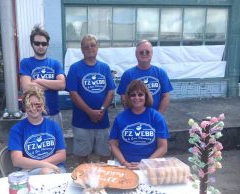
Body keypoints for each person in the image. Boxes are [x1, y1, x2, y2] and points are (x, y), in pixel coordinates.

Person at [66, 34, 116, 164]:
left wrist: (101, 111)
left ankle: (103, 180)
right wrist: (89, 112)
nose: (90, 48)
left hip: (102, 120)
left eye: (93, 45)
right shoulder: (75, 68)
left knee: (105, 153)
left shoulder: (104, 68)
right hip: (81, 122)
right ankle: (84, 181)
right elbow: (73, 94)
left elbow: (111, 91)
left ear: (97, 47)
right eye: (86, 46)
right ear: (81, 49)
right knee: (82, 156)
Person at [109, 80, 169, 170]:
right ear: (128, 97)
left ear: (146, 96)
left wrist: (145, 164)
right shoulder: (120, 118)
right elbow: (113, 145)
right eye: (133, 95)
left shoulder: (156, 117)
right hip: (125, 165)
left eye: (140, 94)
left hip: (150, 164)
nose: (137, 98)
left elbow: (163, 147)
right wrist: (124, 163)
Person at [8, 88, 66, 175]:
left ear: (43, 105)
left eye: (37, 105)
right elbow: (16, 160)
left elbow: (62, 155)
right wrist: (43, 165)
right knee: (46, 171)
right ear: (24, 107)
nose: (34, 108)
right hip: (29, 171)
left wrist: (44, 166)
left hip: (53, 167)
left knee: (47, 172)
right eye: (29, 105)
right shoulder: (17, 129)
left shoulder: (54, 126)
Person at [20, 25, 65, 127]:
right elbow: (26, 87)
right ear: (32, 44)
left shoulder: (55, 63)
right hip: (33, 114)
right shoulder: (26, 63)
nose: (40, 46)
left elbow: (62, 84)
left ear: (47, 45)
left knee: (56, 142)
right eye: (37, 43)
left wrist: (38, 80)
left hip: (54, 114)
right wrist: (52, 85)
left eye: (44, 43)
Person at [117, 40, 173, 114]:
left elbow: (166, 96)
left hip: (155, 118)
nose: (144, 54)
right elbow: (124, 97)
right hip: (135, 119)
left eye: (147, 52)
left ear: (152, 54)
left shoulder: (161, 73)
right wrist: (130, 116)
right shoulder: (128, 74)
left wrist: (159, 116)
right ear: (136, 54)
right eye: (141, 52)